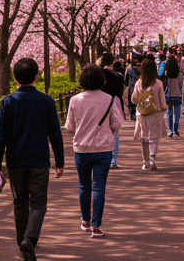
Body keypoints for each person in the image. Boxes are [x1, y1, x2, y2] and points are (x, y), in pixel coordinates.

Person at [0, 58, 65, 261]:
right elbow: (55, 134)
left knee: (20, 203)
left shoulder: (7, 102)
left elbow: (0, 136)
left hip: (15, 160)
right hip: (39, 160)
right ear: (36, 76)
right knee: (39, 203)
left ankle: (22, 241)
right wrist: (60, 161)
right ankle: (29, 240)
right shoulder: (46, 100)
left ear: (15, 78)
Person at [63, 64, 123, 239]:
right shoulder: (109, 99)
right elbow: (117, 124)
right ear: (101, 80)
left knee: (84, 185)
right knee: (99, 186)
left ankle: (85, 221)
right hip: (103, 149)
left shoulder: (75, 100)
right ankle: (96, 226)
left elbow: (69, 127)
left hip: (82, 148)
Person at [129, 56, 167, 170]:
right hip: (155, 112)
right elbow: (162, 101)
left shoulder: (138, 83)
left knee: (144, 138)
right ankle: (152, 159)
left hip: (142, 113)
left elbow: (133, 99)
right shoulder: (158, 83)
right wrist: (164, 108)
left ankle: (145, 162)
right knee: (154, 138)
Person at [98, 53, 125, 168]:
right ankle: (113, 160)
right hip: (112, 104)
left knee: (99, 130)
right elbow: (119, 94)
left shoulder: (96, 74)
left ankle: (100, 157)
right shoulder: (117, 76)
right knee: (114, 131)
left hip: (98, 105)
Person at [162, 56, 184, 137]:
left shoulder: (166, 74)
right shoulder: (180, 75)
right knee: (177, 113)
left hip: (168, 95)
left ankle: (170, 129)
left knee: (169, 112)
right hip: (177, 95)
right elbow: (182, 85)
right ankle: (175, 128)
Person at [122, 55, 140, 123]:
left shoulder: (129, 69)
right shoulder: (141, 69)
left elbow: (126, 79)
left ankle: (133, 115)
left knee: (132, 100)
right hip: (139, 86)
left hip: (131, 86)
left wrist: (126, 84)